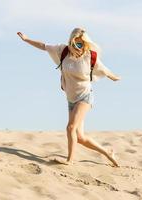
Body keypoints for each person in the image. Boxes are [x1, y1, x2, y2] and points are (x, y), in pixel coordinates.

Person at [17, 27, 120, 167]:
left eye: (82, 44)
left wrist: (114, 77)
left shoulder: (90, 56)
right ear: (70, 42)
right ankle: (108, 152)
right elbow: (44, 46)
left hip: (85, 96)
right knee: (80, 138)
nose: (80, 47)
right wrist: (26, 39)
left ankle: (70, 160)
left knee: (70, 128)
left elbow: (104, 70)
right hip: (71, 99)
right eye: (76, 44)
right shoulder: (62, 51)